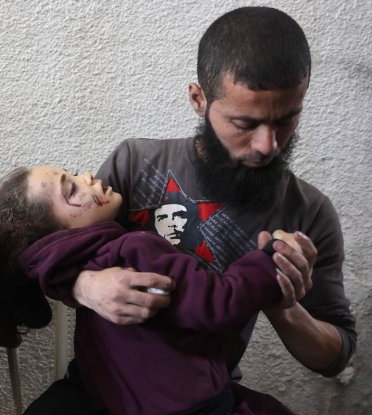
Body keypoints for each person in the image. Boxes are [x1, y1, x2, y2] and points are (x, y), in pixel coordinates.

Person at [25, 6, 357, 414]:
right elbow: (48, 252)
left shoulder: (310, 213)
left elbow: (334, 356)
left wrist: (284, 305)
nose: (268, 145)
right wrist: (86, 288)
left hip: (199, 399)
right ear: (199, 99)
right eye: (245, 124)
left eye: (287, 121)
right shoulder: (134, 164)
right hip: (100, 388)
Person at [0, 166, 297, 414]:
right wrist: (270, 263)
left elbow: (35, 263)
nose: (88, 177)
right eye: (72, 190)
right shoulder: (134, 249)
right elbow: (219, 301)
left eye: (74, 174)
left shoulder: (61, 264)